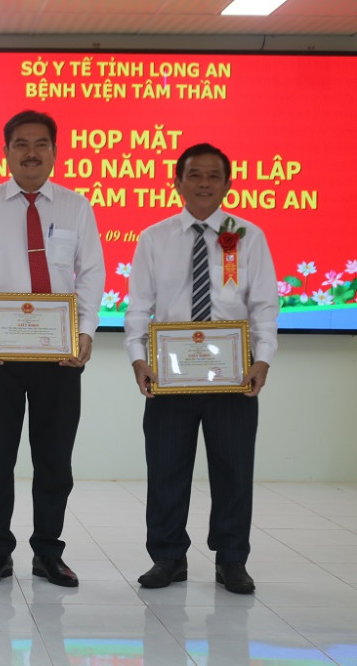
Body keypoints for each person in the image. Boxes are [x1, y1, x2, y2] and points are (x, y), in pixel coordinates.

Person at [0, 110, 105, 588]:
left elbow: (91, 274)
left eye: (41, 144)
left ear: (55, 152)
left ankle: (48, 552)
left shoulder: (77, 207)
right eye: (21, 144)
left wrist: (85, 331)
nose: (31, 153)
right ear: (6, 152)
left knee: (55, 460)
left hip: (60, 354)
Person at [124, 142, 278, 595]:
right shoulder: (154, 238)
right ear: (178, 182)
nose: (204, 183)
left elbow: (264, 306)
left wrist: (263, 359)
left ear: (228, 184)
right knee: (166, 468)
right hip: (169, 376)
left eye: (214, 175)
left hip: (234, 377)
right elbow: (138, 307)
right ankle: (168, 557)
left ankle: (232, 559)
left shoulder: (248, 236)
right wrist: (138, 357)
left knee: (233, 470)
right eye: (195, 175)